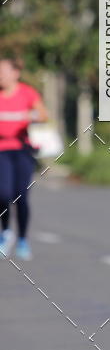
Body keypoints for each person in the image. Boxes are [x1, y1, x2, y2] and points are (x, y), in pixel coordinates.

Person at [0, 56, 49, 260]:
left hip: (22, 150)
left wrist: (31, 116)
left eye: (3, 71)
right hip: (1, 150)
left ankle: (22, 239)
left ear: (15, 73)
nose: (0, 75)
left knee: (21, 196)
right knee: (3, 194)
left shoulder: (27, 93)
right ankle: (5, 233)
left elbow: (44, 114)